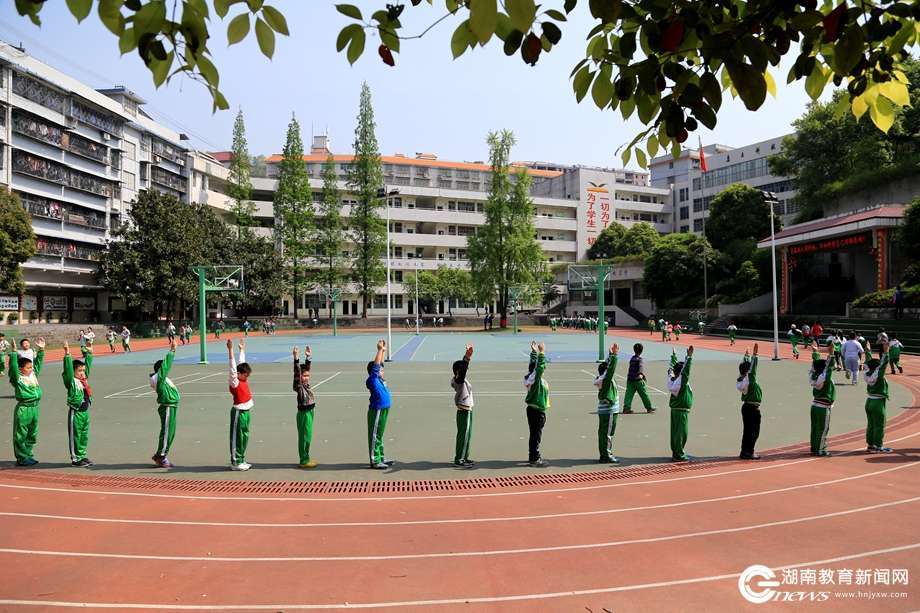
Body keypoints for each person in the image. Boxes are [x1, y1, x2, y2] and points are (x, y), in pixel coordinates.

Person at [8, 337, 45, 466]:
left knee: (32, 433)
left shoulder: (33, 375)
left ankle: (28, 454)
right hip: (24, 409)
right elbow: (13, 368)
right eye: (28, 368)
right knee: (21, 434)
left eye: (31, 367)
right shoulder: (18, 379)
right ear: (21, 369)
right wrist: (13, 353)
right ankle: (21, 457)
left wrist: (41, 350)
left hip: (35, 408)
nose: (31, 369)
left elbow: (38, 364)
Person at [62, 341, 95, 467]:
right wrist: (67, 354)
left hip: (85, 412)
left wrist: (90, 354)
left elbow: (88, 366)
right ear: (74, 371)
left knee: (83, 435)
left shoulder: (83, 380)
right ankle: (76, 459)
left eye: (83, 370)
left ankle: (82, 455)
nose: (82, 372)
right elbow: (68, 370)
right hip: (76, 412)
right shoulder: (71, 381)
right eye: (79, 370)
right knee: (75, 435)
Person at [150, 339, 180, 468]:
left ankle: (159, 454)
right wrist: (172, 351)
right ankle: (161, 456)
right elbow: (165, 367)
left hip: (171, 407)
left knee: (170, 432)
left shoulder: (161, 379)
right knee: (168, 432)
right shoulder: (159, 378)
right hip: (167, 406)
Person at [366, 339, 394, 469]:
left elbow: (380, 364)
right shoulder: (372, 380)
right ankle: (375, 460)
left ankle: (381, 457)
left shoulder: (380, 380)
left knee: (380, 435)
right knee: (375, 435)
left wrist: (383, 351)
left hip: (384, 409)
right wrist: (378, 350)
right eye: (380, 370)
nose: (382, 371)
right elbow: (377, 366)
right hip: (376, 410)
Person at [227, 339, 253, 471]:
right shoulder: (235, 381)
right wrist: (231, 350)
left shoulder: (242, 374)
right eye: (246, 375)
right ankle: (236, 462)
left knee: (244, 436)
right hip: (238, 412)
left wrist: (242, 349)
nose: (247, 377)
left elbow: (241, 363)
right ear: (240, 374)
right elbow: (233, 368)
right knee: (237, 437)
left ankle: (241, 458)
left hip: (246, 411)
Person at [524, 340, 550, 467]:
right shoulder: (536, 379)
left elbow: (533, 366)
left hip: (532, 410)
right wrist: (541, 353)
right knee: (536, 435)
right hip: (537, 411)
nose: (544, 367)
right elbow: (538, 368)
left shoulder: (531, 378)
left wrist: (533, 353)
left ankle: (532, 454)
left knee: (534, 434)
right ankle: (534, 458)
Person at [594, 343, 620, 464]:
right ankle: (606, 455)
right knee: (608, 433)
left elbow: (608, 367)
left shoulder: (601, 378)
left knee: (604, 433)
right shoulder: (606, 379)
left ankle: (603, 453)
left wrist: (610, 355)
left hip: (605, 410)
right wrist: (614, 355)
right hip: (609, 410)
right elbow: (611, 369)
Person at [864, 343, 893, 454]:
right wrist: (886, 352)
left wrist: (868, 351)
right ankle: (878, 445)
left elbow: (869, 362)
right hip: (878, 403)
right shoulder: (879, 375)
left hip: (869, 401)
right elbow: (883, 364)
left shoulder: (868, 373)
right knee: (879, 425)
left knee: (871, 424)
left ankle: (870, 444)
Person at [808, 342, 836, 457]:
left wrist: (815, 352)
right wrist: (831, 354)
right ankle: (820, 449)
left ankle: (814, 448)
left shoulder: (813, 376)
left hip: (814, 406)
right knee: (823, 429)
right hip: (823, 408)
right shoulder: (825, 378)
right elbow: (828, 367)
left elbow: (815, 366)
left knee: (814, 428)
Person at [668, 346, 695, 461]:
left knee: (675, 433)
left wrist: (673, 357)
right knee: (681, 433)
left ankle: (675, 452)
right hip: (681, 412)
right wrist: (689, 357)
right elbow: (686, 371)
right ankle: (679, 454)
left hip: (675, 411)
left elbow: (671, 368)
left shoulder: (672, 379)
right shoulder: (681, 382)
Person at [293, 345, 317, 468]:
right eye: (304, 376)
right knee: (304, 436)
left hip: (310, 411)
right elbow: (297, 372)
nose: (306, 378)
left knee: (308, 436)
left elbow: (306, 369)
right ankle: (303, 460)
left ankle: (306, 457)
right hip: (304, 413)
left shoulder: (306, 385)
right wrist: (296, 358)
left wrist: (308, 357)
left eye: (308, 375)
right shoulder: (299, 386)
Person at [451, 343, 475, 467]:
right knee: (463, 435)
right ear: (459, 371)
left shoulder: (459, 379)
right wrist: (467, 357)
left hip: (468, 410)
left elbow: (462, 370)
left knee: (467, 435)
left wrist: (466, 358)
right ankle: (459, 459)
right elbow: (463, 370)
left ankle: (464, 456)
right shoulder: (458, 380)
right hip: (464, 411)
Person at [737, 344, 763, 460]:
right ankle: (749, 452)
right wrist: (755, 355)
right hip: (752, 409)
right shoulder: (749, 378)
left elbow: (745, 368)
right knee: (753, 432)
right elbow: (753, 369)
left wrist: (746, 356)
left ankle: (745, 451)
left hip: (746, 407)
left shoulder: (741, 379)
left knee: (747, 431)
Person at [623, 343, 655, 414]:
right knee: (644, 394)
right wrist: (641, 374)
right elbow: (640, 367)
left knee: (628, 394)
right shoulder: (640, 359)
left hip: (630, 379)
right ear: (641, 351)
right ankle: (649, 408)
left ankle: (626, 408)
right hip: (637, 380)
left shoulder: (632, 358)